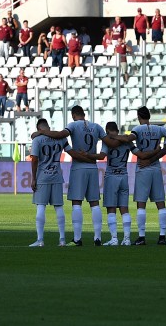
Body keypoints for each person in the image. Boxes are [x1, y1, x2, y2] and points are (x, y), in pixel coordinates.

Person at [36, 105, 106, 246]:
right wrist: (92, 157)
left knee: (77, 203)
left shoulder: (73, 125)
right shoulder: (96, 126)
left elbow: (60, 135)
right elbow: (107, 141)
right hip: (93, 167)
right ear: (84, 114)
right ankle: (97, 238)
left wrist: (41, 132)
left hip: (78, 167)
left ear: (73, 115)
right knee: (94, 203)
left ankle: (77, 239)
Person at [131, 106, 166, 245]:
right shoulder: (160, 129)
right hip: (156, 167)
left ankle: (141, 237)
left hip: (142, 168)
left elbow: (130, 138)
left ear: (139, 117)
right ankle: (162, 236)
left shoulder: (137, 129)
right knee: (160, 203)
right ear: (149, 116)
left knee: (141, 203)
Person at [28, 118, 68, 247]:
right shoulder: (61, 138)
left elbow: (34, 159)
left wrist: (33, 178)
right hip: (56, 176)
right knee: (59, 207)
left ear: (39, 129)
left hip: (42, 177)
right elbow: (70, 150)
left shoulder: (37, 140)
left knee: (41, 206)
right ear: (48, 128)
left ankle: (40, 240)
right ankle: (62, 239)